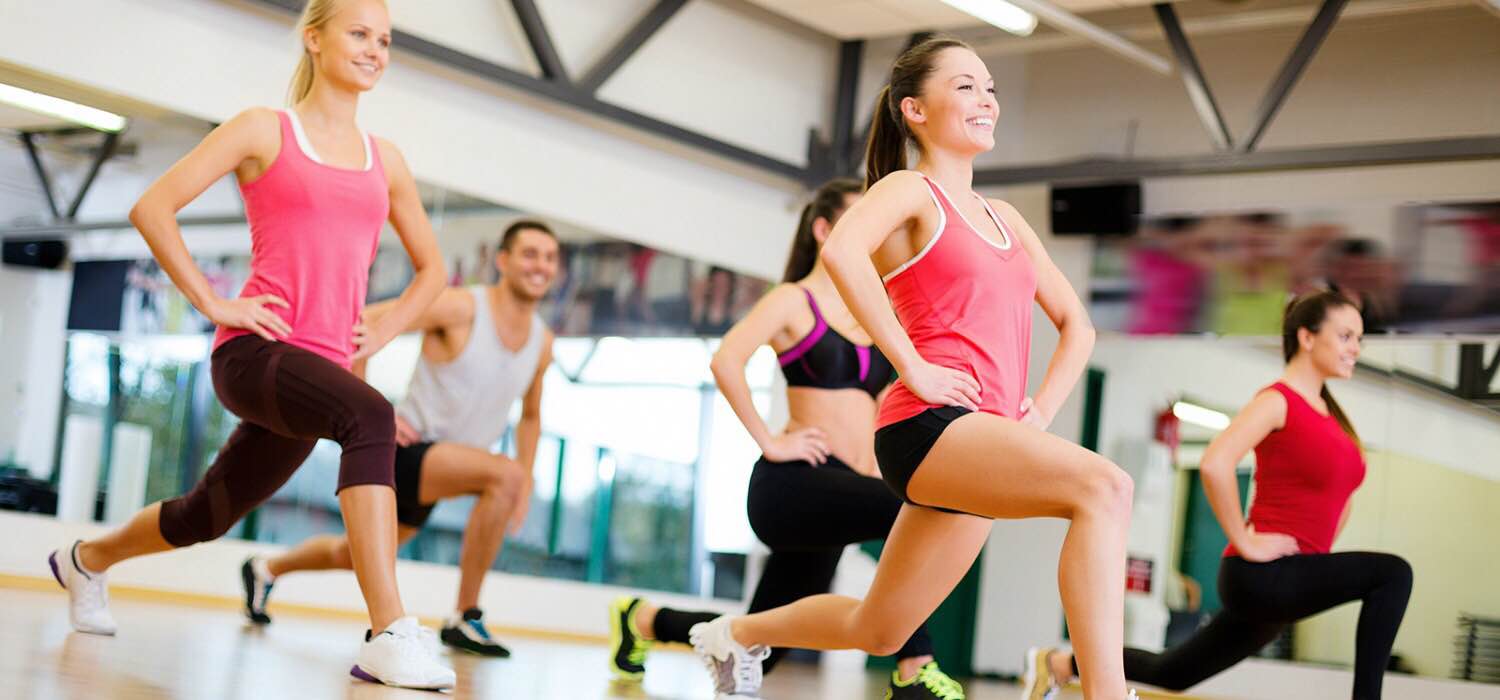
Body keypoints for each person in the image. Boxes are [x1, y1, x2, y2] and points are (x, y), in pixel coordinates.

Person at [686, 37, 1136, 700]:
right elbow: (843, 251)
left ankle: (738, 635)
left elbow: (1079, 326)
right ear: (914, 110)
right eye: (964, 86)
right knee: (1106, 488)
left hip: (978, 438)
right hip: (926, 424)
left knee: (881, 629)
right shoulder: (910, 191)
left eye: (989, 88)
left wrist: (1038, 411)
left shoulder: (1007, 218)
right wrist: (914, 365)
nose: (985, 99)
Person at [46, 0, 455, 689]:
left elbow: (434, 270)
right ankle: (388, 632)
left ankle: (85, 559)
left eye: (385, 40)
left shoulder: (387, 160)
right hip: (254, 354)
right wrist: (212, 301)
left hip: (318, 373)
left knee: (207, 515)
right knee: (372, 417)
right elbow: (153, 206)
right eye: (360, 34)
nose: (375, 50)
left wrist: (383, 327)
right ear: (316, 39)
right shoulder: (265, 129)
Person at [606, 179, 964, 699]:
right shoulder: (794, 300)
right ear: (823, 230)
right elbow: (726, 359)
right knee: (910, 510)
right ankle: (915, 668)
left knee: (763, 642)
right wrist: (771, 440)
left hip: (845, 487)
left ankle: (643, 621)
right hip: (794, 483)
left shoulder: (877, 311)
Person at [1023, 291, 1412, 700]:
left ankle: (1057, 665)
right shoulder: (1278, 401)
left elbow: (1341, 497)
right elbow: (1215, 463)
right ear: (1308, 337)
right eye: (1347, 336)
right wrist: (1245, 540)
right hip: (1260, 573)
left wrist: (1317, 569)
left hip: (1291, 573)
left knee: (1172, 671)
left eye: (1360, 340)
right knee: (1393, 574)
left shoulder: (1333, 419)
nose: (1356, 348)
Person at [242, 220, 558, 658]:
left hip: (447, 465)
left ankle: (265, 568)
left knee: (350, 555)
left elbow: (532, 416)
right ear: (502, 261)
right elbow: (365, 321)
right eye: (529, 253)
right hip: (407, 451)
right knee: (503, 476)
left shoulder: (542, 342)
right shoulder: (461, 307)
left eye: (549, 256)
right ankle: (465, 617)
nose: (540, 265)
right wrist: (370, 409)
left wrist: (528, 480)